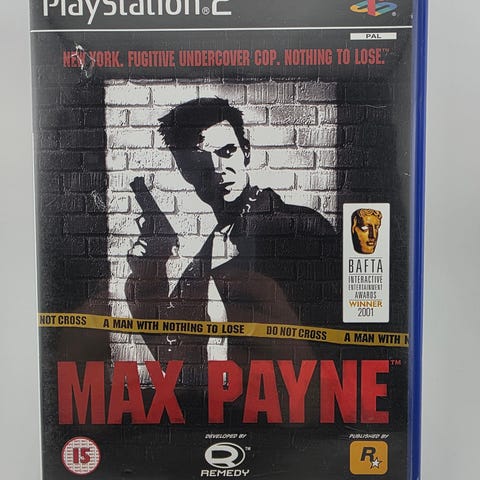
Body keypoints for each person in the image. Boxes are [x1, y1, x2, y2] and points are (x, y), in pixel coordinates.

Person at [125, 97, 340, 370]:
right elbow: (174, 363)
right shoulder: (204, 261)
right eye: (201, 161)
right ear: (185, 171)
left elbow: (337, 349)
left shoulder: (300, 230)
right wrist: (147, 276)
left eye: (227, 152)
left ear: (245, 151)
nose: (218, 169)